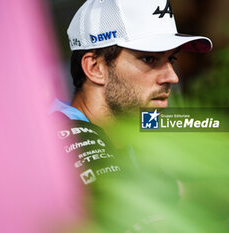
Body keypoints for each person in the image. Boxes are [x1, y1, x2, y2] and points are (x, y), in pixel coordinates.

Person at [50, 0, 212, 185]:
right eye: (149, 58)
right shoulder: (58, 139)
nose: (172, 77)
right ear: (95, 68)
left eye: (171, 59)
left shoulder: (135, 129)